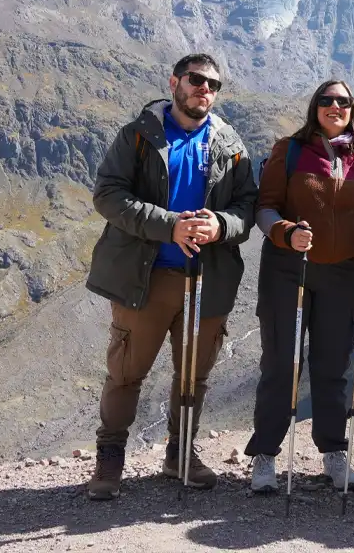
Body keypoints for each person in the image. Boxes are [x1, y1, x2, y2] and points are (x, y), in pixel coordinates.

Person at [83, 52, 259, 500]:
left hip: (207, 279)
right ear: (175, 81)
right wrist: (170, 226)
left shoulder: (231, 143)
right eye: (196, 80)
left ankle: (180, 454)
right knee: (126, 371)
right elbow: (107, 195)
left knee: (193, 376)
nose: (205, 89)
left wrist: (221, 225)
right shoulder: (139, 135)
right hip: (146, 278)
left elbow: (246, 208)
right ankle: (110, 458)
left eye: (213, 85)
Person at [243, 79, 354, 493]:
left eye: (343, 101)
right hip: (289, 270)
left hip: (341, 273)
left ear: (352, 109)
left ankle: (334, 451)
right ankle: (265, 456)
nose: (335, 106)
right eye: (327, 100)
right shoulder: (288, 150)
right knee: (281, 365)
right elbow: (264, 207)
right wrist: (286, 232)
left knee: (332, 367)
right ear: (315, 107)